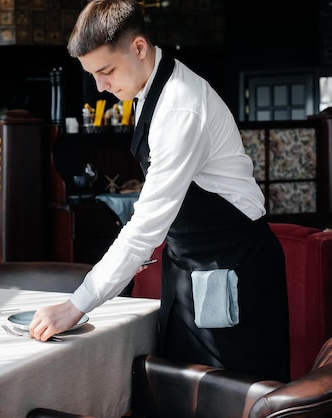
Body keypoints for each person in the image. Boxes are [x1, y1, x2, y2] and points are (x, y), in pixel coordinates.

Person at [29, 0, 290, 382]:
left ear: (138, 48)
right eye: (93, 76)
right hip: (191, 264)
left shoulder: (180, 108)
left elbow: (146, 228)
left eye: (105, 72)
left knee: (228, 395)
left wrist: (76, 305)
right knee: (180, 389)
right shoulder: (149, 88)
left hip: (229, 265)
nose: (101, 87)